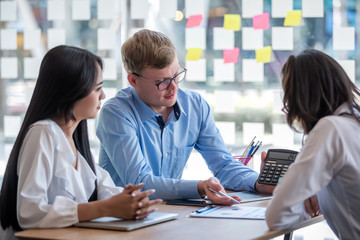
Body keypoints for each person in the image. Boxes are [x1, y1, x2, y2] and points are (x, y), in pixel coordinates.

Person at [0, 45, 162, 239]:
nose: (103, 96)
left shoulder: (74, 141)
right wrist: (104, 208)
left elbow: (105, 189)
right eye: (97, 88)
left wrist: (131, 201)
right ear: (72, 92)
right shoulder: (43, 132)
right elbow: (29, 212)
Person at [96, 29, 273, 205]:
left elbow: (223, 164)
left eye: (176, 76)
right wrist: (200, 187)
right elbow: (140, 184)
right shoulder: (116, 113)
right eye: (162, 82)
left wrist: (258, 183)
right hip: (123, 219)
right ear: (133, 81)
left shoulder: (194, 105)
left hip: (169, 214)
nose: (173, 88)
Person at [265, 49, 360, 239]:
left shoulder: (331, 128)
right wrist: (319, 188)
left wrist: (300, 205)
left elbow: (277, 215)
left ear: (302, 100)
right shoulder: (354, 121)